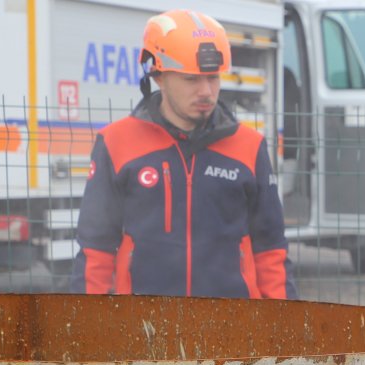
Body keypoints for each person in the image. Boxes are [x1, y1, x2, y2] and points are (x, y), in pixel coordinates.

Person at [71, 9, 295, 299]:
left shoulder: (249, 146)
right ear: (159, 76)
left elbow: (271, 251)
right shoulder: (116, 143)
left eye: (213, 77)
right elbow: (95, 251)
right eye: (191, 79)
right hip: (144, 322)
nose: (206, 91)